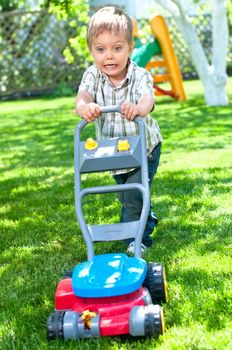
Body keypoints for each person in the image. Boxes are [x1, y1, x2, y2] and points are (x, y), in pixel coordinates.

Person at [75, 6, 162, 254]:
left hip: (144, 148)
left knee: (133, 197)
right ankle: (149, 217)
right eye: (100, 50)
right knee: (126, 196)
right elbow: (83, 96)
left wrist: (138, 109)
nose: (109, 56)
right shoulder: (92, 75)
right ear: (91, 50)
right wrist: (85, 107)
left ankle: (136, 240)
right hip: (112, 151)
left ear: (130, 48)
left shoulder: (139, 75)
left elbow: (148, 99)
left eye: (117, 48)